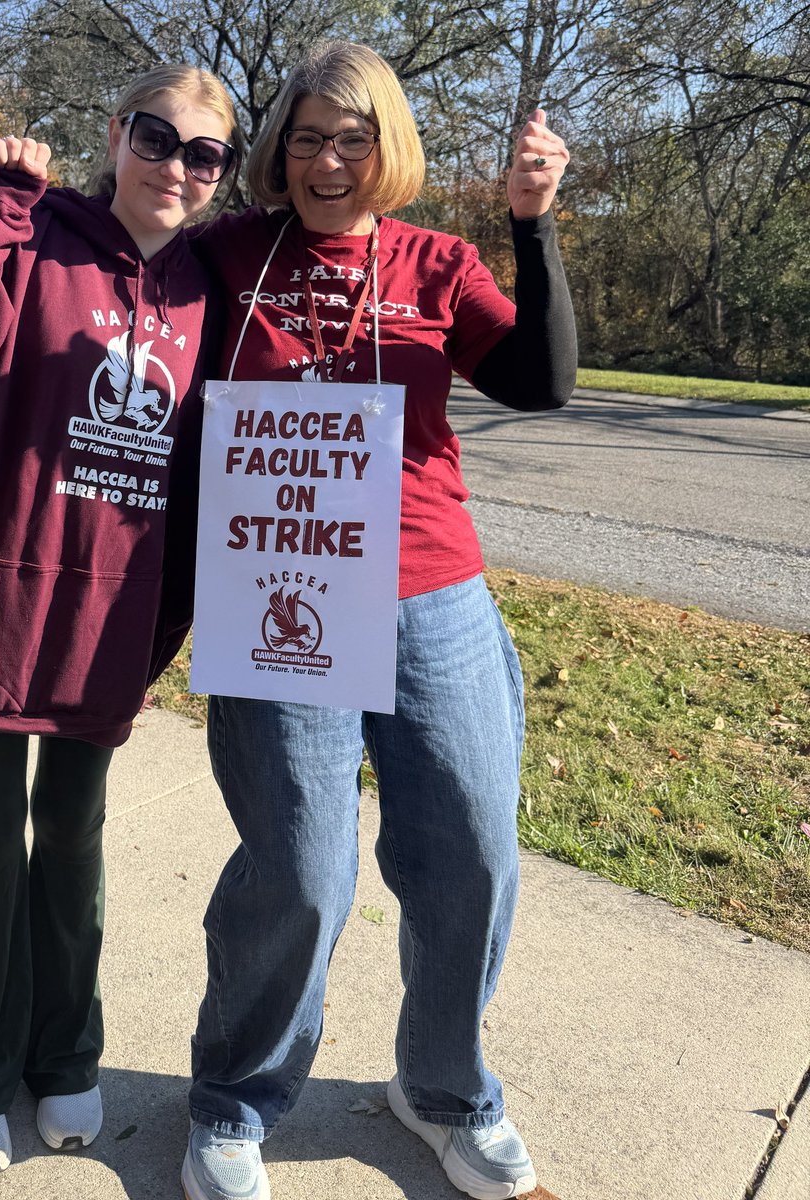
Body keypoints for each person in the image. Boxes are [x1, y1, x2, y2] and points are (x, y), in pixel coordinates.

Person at [181, 42, 576, 1200]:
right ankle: (233, 1102)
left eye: (353, 137)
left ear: (387, 146)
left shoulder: (437, 262)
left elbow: (543, 385)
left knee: (471, 856)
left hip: (430, 591)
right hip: (276, 587)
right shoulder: (227, 255)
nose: (328, 160)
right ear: (279, 150)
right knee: (301, 869)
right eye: (306, 137)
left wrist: (534, 220)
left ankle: (444, 1091)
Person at [0, 65, 240, 1181]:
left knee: (74, 833)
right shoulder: (31, 239)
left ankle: (64, 1052)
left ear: (221, 175)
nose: (176, 165)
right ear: (117, 134)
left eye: (204, 153)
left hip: (108, 613)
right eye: (156, 137)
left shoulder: (206, 290)